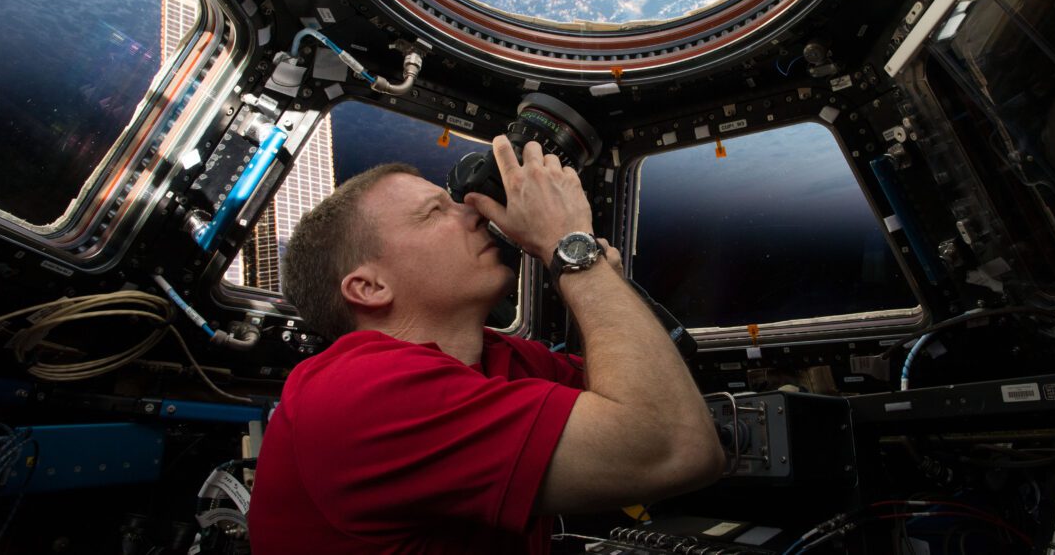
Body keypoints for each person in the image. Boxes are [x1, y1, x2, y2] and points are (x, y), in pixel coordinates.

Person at [248, 135, 724, 554]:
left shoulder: (502, 361)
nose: (475, 211)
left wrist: (600, 281)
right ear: (369, 288)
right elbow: (675, 447)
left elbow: (662, 398)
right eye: (435, 211)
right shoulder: (357, 392)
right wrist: (572, 249)